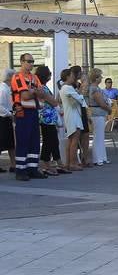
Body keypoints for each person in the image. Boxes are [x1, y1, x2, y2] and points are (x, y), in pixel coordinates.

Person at [10, 53, 48, 181]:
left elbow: (42, 94)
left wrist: (33, 92)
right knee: (23, 141)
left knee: (34, 141)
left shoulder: (34, 77)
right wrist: (35, 92)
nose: (31, 64)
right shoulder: (17, 77)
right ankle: (20, 170)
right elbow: (25, 96)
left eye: (32, 61)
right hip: (22, 113)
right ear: (22, 62)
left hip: (33, 112)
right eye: (28, 61)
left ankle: (32, 169)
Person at [35, 65, 68, 176]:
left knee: (53, 141)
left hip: (49, 118)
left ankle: (58, 163)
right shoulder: (42, 88)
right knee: (48, 141)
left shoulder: (44, 87)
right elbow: (53, 102)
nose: (51, 75)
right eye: (49, 73)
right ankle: (46, 165)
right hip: (46, 118)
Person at [59, 68, 86, 172]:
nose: (73, 77)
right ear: (67, 77)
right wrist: (82, 88)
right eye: (71, 75)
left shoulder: (65, 88)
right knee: (74, 140)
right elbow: (79, 98)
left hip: (71, 114)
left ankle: (68, 163)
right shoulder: (67, 88)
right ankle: (72, 163)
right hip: (73, 115)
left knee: (71, 140)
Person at [86, 68, 113, 166]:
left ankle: (102, 157)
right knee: (98, 136)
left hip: (99, 114)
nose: (101, 78)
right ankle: (97, 158)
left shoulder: (95, 88)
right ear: (96, 78)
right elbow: (101, 103)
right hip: (97, 113)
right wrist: (109, 109)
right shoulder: (94, 89)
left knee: (100, 136)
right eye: (100, 76)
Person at [72, 66, 91, 167]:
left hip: (82, 110)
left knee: (86, 134)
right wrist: (85, 83)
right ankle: (76, 159)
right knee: (76, 136)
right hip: (75, 111)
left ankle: (85, 156)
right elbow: (80, 95)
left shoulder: (79, 84)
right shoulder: (68, 85)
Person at [0, 68, 15, 173]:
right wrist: (10, 114)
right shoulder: (3, 89)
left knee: (10, 142)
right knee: (4, 142)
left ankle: (13, 164)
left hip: (7, 117)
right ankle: (13, 164)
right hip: (3, 118)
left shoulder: (7, 89)